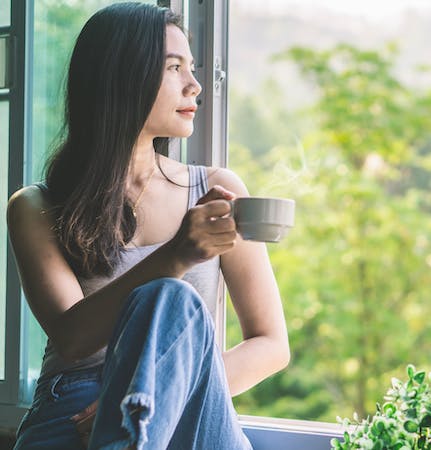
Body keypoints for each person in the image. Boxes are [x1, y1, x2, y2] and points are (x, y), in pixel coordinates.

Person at [6, 2, 289, 449]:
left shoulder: (216, 191)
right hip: (75, 410)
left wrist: (160, 389)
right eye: (174, 68)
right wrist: (178, 254)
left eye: (191, 67)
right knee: (168, 292)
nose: (195, 85)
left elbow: (271, 343)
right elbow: (73, 338)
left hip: (188, 403)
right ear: (122, 78)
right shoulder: (37, 206)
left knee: (173, 299)